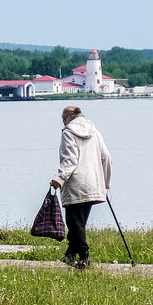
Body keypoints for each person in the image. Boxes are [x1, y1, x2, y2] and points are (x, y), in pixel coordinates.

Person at [49, 105, 112, 268]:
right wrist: (105, 183)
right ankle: (70, 255)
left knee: (74, 222)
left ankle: (84, 256)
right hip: (94, 183)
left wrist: (60, 179)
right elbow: (106, 157)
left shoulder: (68, 133)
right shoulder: (95, 132)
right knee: (79, 222)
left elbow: (70, 160)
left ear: (66, 119)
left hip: (76, 184)